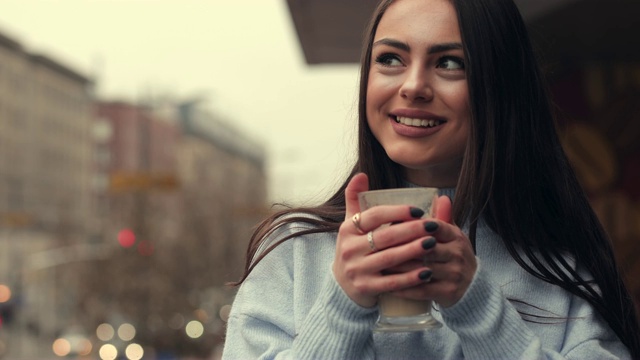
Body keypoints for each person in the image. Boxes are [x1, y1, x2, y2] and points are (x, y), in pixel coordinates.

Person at [222, 0, 640, 358]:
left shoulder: (557, 260)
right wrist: (342, 307)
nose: (414, 85)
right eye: (390, 59)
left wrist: (477, 308)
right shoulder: (295, 254)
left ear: (500, 86)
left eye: (450, 63)